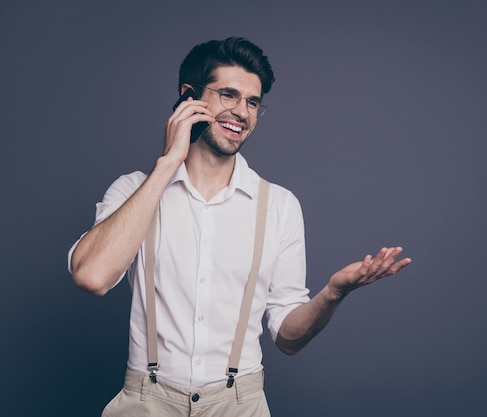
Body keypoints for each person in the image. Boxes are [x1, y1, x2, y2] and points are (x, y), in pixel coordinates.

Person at [68, 37, 411, 417]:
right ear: (188, 97)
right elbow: (92, 277)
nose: (243, 113)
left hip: (239, 405)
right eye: (228, 95)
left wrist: (333, 293)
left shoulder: (279, 206)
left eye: (252, 102)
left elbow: (288, 338)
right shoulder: (133, 190)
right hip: (145, 402)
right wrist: (168, 163)